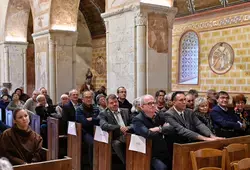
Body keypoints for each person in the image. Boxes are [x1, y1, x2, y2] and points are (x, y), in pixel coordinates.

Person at [132, 95, 174, 170]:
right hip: (149, 153)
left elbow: (172, 128)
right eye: (149, 103)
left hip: (164, 150)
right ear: (142, 107)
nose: (153, 105)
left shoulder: (159, 115)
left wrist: (158, 129)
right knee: (162, 168)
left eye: (154, 102)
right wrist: (163, 129)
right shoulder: (137, 120)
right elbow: (148, 134)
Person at [98, 94, 132, 164]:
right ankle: (127, 164)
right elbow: (104, 125)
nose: (114, 104)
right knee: (116, 144)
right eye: (111, 103)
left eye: (116, 102)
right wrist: (119, 127)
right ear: (107, 105)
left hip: (128, 134)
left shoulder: (126, 111)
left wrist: (128, 127)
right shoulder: (103, 113)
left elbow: (134, 123)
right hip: (115, 137)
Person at [76, 91, 99, 168]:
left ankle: (102, 163)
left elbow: (100, 119)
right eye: (87, 97)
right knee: (92, 143)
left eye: (90, 97)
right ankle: (92, 165)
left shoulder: (96, 107)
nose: (89, 99)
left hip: (96, 130)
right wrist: (94, 120)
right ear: (82, 99)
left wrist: (92, 119)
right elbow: (84, 123)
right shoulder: (79, 109)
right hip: (84, 132)